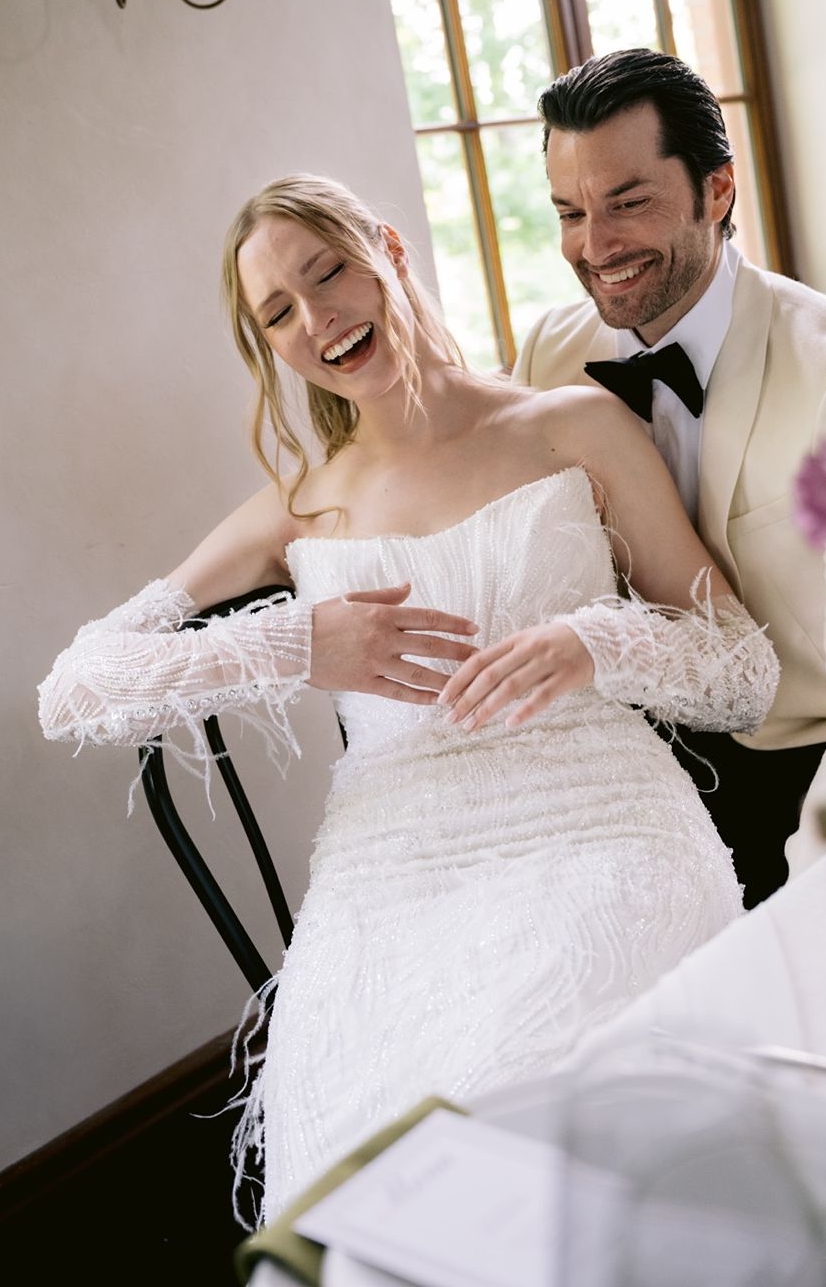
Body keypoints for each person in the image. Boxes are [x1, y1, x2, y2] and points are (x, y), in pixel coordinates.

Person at [38, 174, 778, 1223]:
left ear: (383, 246)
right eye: (279, 313)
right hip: (395, 861)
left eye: (327, 272)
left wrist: (591, 641)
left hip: (597, 815)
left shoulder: (572, 425)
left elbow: (742, 668)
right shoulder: (299, 507)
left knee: (540, 1064)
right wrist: (298, 639)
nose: (318, 319)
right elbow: (73, 689)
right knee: (385, 1126)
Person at [513, 48, 826, 907]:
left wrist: (810, 901)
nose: (593, 246)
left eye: (627, 203)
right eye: (568, 212)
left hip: (819, 760)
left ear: (717, 191)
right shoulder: (547, 353)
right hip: (639, 773)